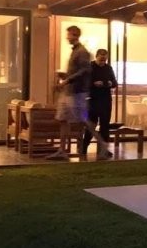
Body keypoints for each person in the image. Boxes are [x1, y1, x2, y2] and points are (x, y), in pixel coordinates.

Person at [47, 25, 111, 160]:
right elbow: (78, 71)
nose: (67, 37)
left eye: (69, 35)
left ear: (75, 35)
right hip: (68, 91)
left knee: (84, 120)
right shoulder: (75, 51)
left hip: (77, 93)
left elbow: (85, 70)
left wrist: (67, 80)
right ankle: (62, 151)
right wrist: (65, 76)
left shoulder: (82, 52)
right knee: (63, 119)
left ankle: (103, 144)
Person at [82, 48, 118, 155]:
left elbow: (115, 82)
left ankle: (104, 149)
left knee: (105, 126)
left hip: (106, 100)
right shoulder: (90, 67)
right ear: (96, 57)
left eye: (104, 59)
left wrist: (111, 83)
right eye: (101, 59)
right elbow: (84, 82)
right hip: (93, 100)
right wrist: (94, 84)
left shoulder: (108, 68)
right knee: (91, 125)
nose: (103, 61)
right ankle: (84, 147)